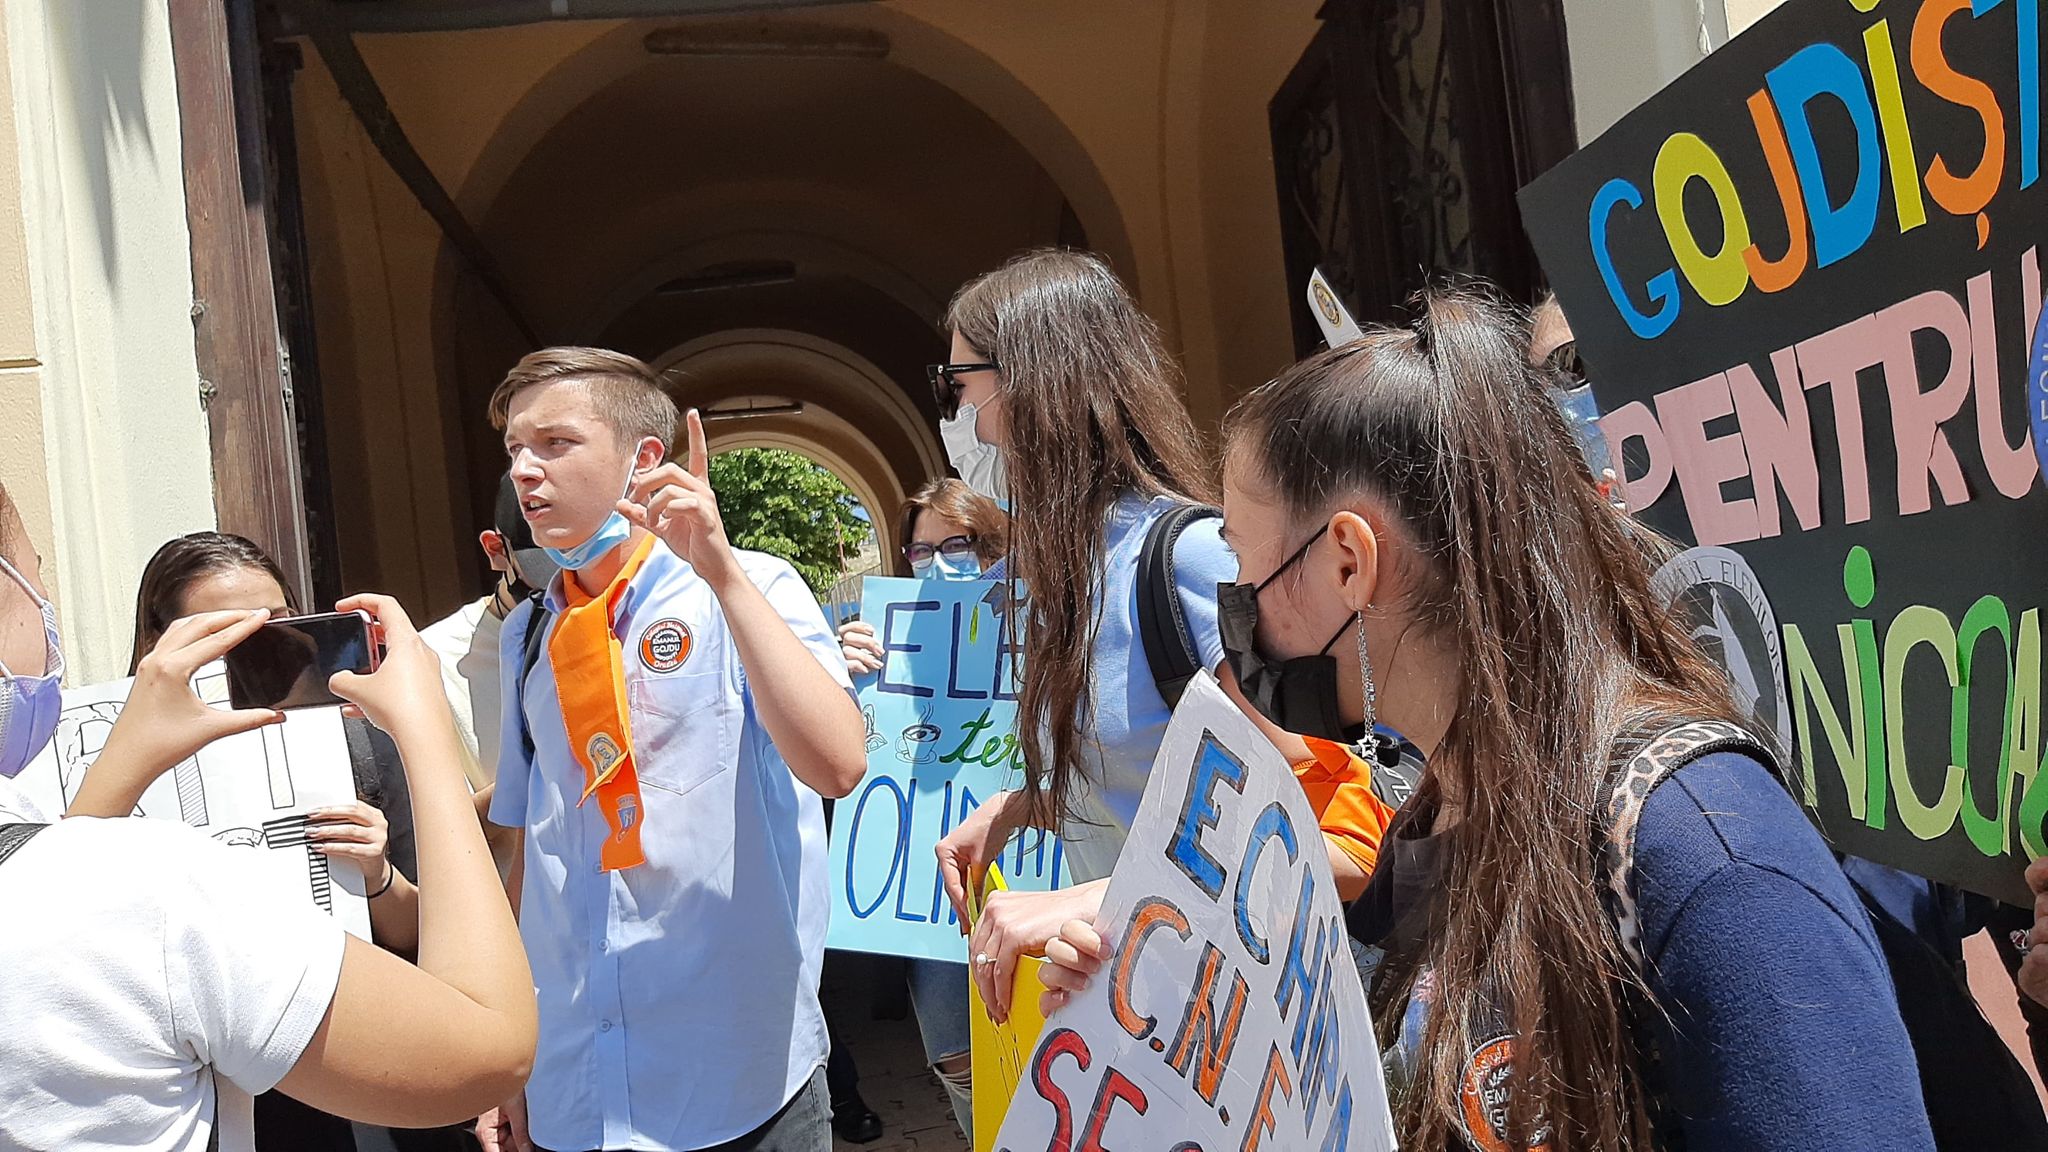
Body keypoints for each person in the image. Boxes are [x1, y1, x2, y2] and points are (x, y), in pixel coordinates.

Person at [1037, 288, 1933, 1150]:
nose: (1234, 604)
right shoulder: (1453, 803)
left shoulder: (1706, 856)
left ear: (1349, 562)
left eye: (1241, 556)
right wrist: (1127, 935)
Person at [925, 249, 1393, 1030]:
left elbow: (1344, 835)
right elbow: (1157, 782)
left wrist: (1112, 896)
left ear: (1034, 382)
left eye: (957, 384)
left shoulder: (1192, 561)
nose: (949, 415)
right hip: (1155, 1036)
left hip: (1259, 1038)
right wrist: (1028, 805)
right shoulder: (1061, 579)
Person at [0, 481, 536, 1151]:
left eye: (279, 625)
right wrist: (424, 725)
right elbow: (485, 1051)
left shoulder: (66, 864)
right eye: (34, 575)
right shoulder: (151, 879)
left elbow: (56, 889)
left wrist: (377, 878)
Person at [478, 347, 866, 1152]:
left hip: (738, 1080)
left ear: (643, 460)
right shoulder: (526, 636)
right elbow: (533, 856)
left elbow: (836, 763)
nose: (525, 471)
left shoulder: (752, 588)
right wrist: (509, 1057)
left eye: (555, 444)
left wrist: (720, 571)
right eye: (516, 450)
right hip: (576, 1086)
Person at [833, 478, 1011, 1140]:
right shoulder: (884, 648)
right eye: (918, 550)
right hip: (933, 904)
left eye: (957, 544)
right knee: (959, 1066)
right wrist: (845, 686)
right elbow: (846, 763)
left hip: (1039, 878)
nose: (936, 564)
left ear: (995, 547)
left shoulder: (1047, 631)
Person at [419, 473, 560, 875]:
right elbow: (430, 834)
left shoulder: (637, 627)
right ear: (496, 550)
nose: (570, 584)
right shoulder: (431, 660)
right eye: (550, 565)